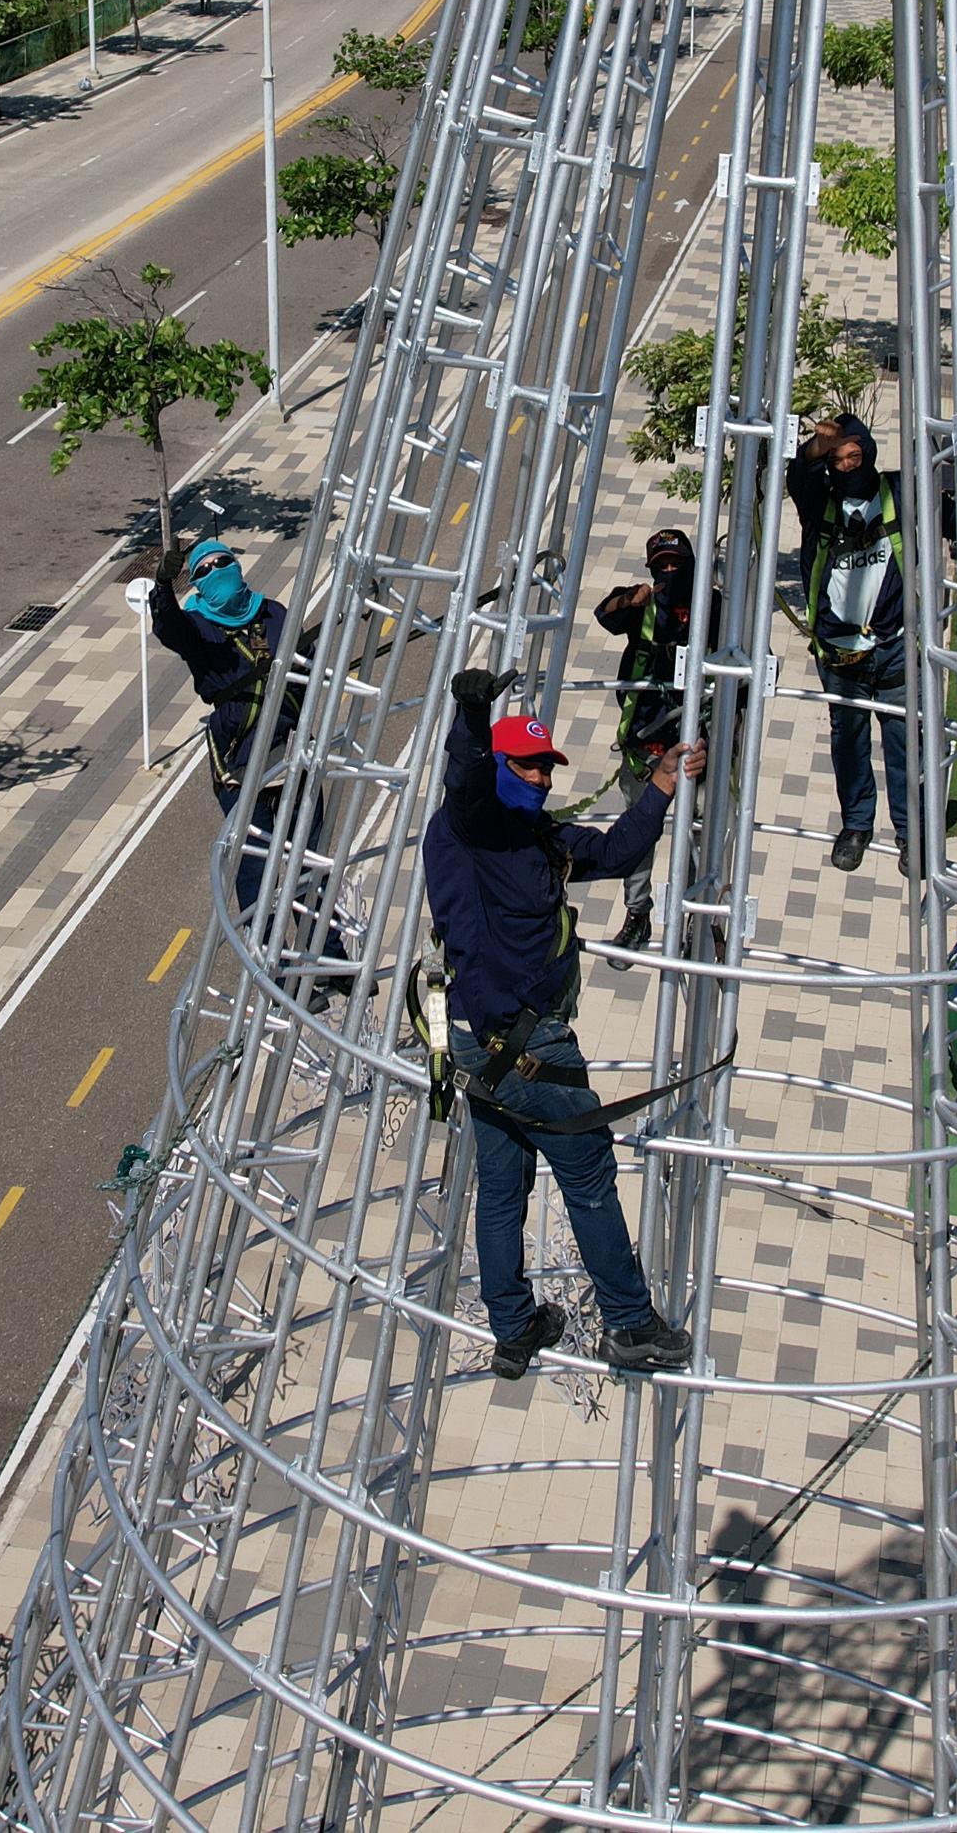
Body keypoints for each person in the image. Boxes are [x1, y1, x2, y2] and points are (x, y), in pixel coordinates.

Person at [428, 667, 702, 1379]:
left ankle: (515, 1327)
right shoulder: (473, 827)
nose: (543, 779)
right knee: (587, 1173)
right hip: (521, 1046)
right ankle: (630, 1323)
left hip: (482, 1043)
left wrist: (663, 787)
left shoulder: (533, 834)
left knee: (503, 1182)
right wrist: (471, 711)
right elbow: (464, 776)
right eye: (527, 765)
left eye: (547, 766)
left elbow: (611, 852)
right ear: (497, 765)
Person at [787, 415, 913, 871]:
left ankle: (910, 833)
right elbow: (797, 475)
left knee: (903, 740)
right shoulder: (819, 501)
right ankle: (857, 825)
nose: (846, 466)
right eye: (836, 460)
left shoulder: (897, 494)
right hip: (840, 651)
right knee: (850, 740)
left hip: (892, 643)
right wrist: (815, 450)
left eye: (854, 456)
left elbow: (947, 499)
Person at [148, 536, 294, 910]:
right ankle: (262, 958)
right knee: (257, 871)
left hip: (292, 756)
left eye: (222, 562)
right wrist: (163, 585)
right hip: (239, 765)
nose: (216, 571)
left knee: (311, 868)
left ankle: (332, 961)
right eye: (204, 570)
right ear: (196, 584)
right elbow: (168, 626)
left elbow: (308, 660)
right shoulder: (198, 629)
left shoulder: (273, 614)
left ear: (237, 566)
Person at [588, 527, 695, 948]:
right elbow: (605, 614)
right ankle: (638, 914)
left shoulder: (712, 606)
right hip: (645, 744)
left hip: (692, 744)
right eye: (661, 566)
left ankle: (697, 918)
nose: (669, 572)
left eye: (676, 564)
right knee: (638, 833)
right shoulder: (643, 604)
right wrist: (631, 597)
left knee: (699, 836)